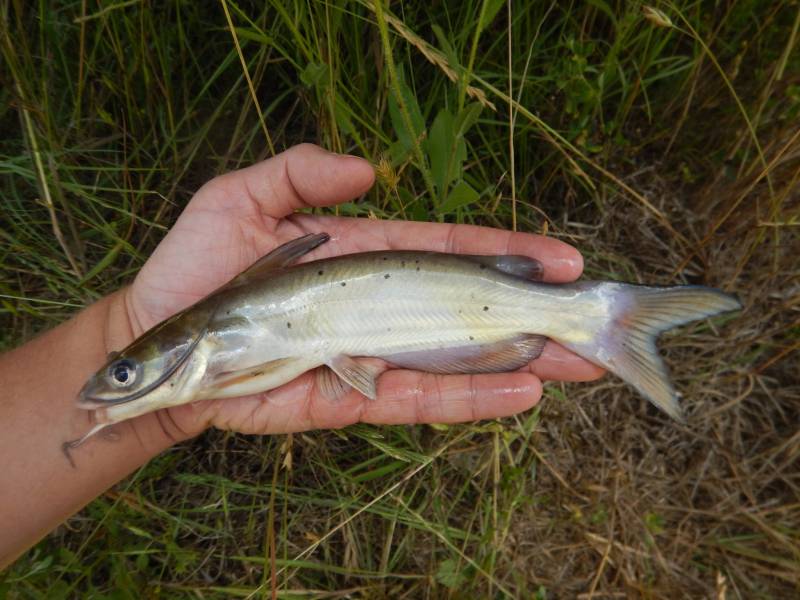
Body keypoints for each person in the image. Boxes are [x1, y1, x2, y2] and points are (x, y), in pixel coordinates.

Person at [0, 144, 603, 568]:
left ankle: (597, 316)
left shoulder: (206, 342)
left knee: (557, 312)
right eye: (124, 371)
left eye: (124, 370)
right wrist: (122, 345)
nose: (117, 384)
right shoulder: (196, 350)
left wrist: (126, 344)